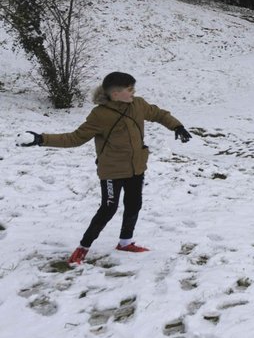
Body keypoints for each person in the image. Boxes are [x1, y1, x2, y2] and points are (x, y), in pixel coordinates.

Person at [23, 72, 191, 266]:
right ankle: (83, 247)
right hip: (112, 170)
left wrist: (177, 126)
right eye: (130, 89)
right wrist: (41, 139)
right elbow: (75, 138)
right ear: (116, 93)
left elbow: (159, 114)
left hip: (136, 167)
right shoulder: (100, 115)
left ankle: (125, 242)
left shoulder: (138, 104)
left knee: (134, 204)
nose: (133, 93)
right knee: (108, 208)